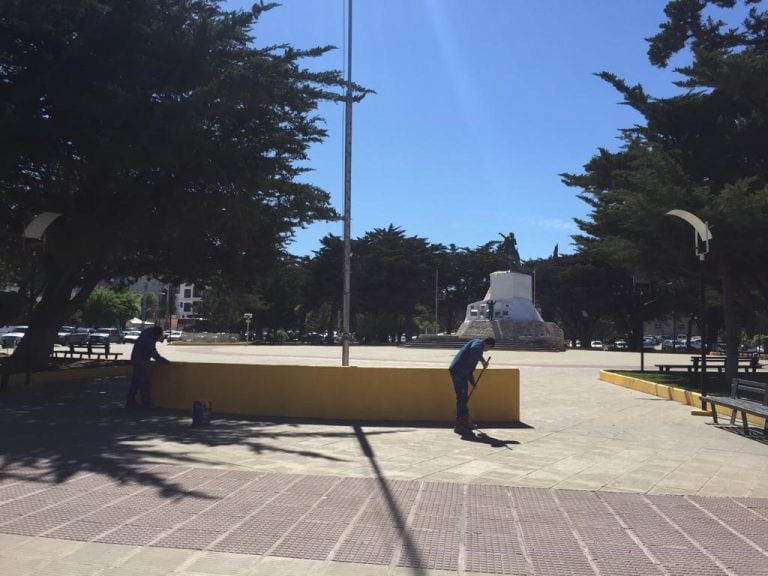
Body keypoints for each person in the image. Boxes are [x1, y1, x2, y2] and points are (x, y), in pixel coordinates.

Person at [449, 337, 495, 434]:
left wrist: (472, 383)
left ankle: (465, 422)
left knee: (464, 398)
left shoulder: (477, 353)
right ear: (487, 344)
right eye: (489, 348)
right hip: (458, 371)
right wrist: (483, 361)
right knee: (461, 398)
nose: (487, 350)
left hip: (463, 373)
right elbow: (474, 349)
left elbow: (470, 370)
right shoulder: (477, 343)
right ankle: (459, 425)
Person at [126, 325, 170, 409]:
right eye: (158, 336)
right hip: (141, 362)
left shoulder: (147, 334)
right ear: (156, 335)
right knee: (144, 383)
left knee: (135, 382)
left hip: (136, 359)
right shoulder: (148, 340)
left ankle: (130, 401)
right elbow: (154, 353)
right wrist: (164, 361)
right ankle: (146, 403)